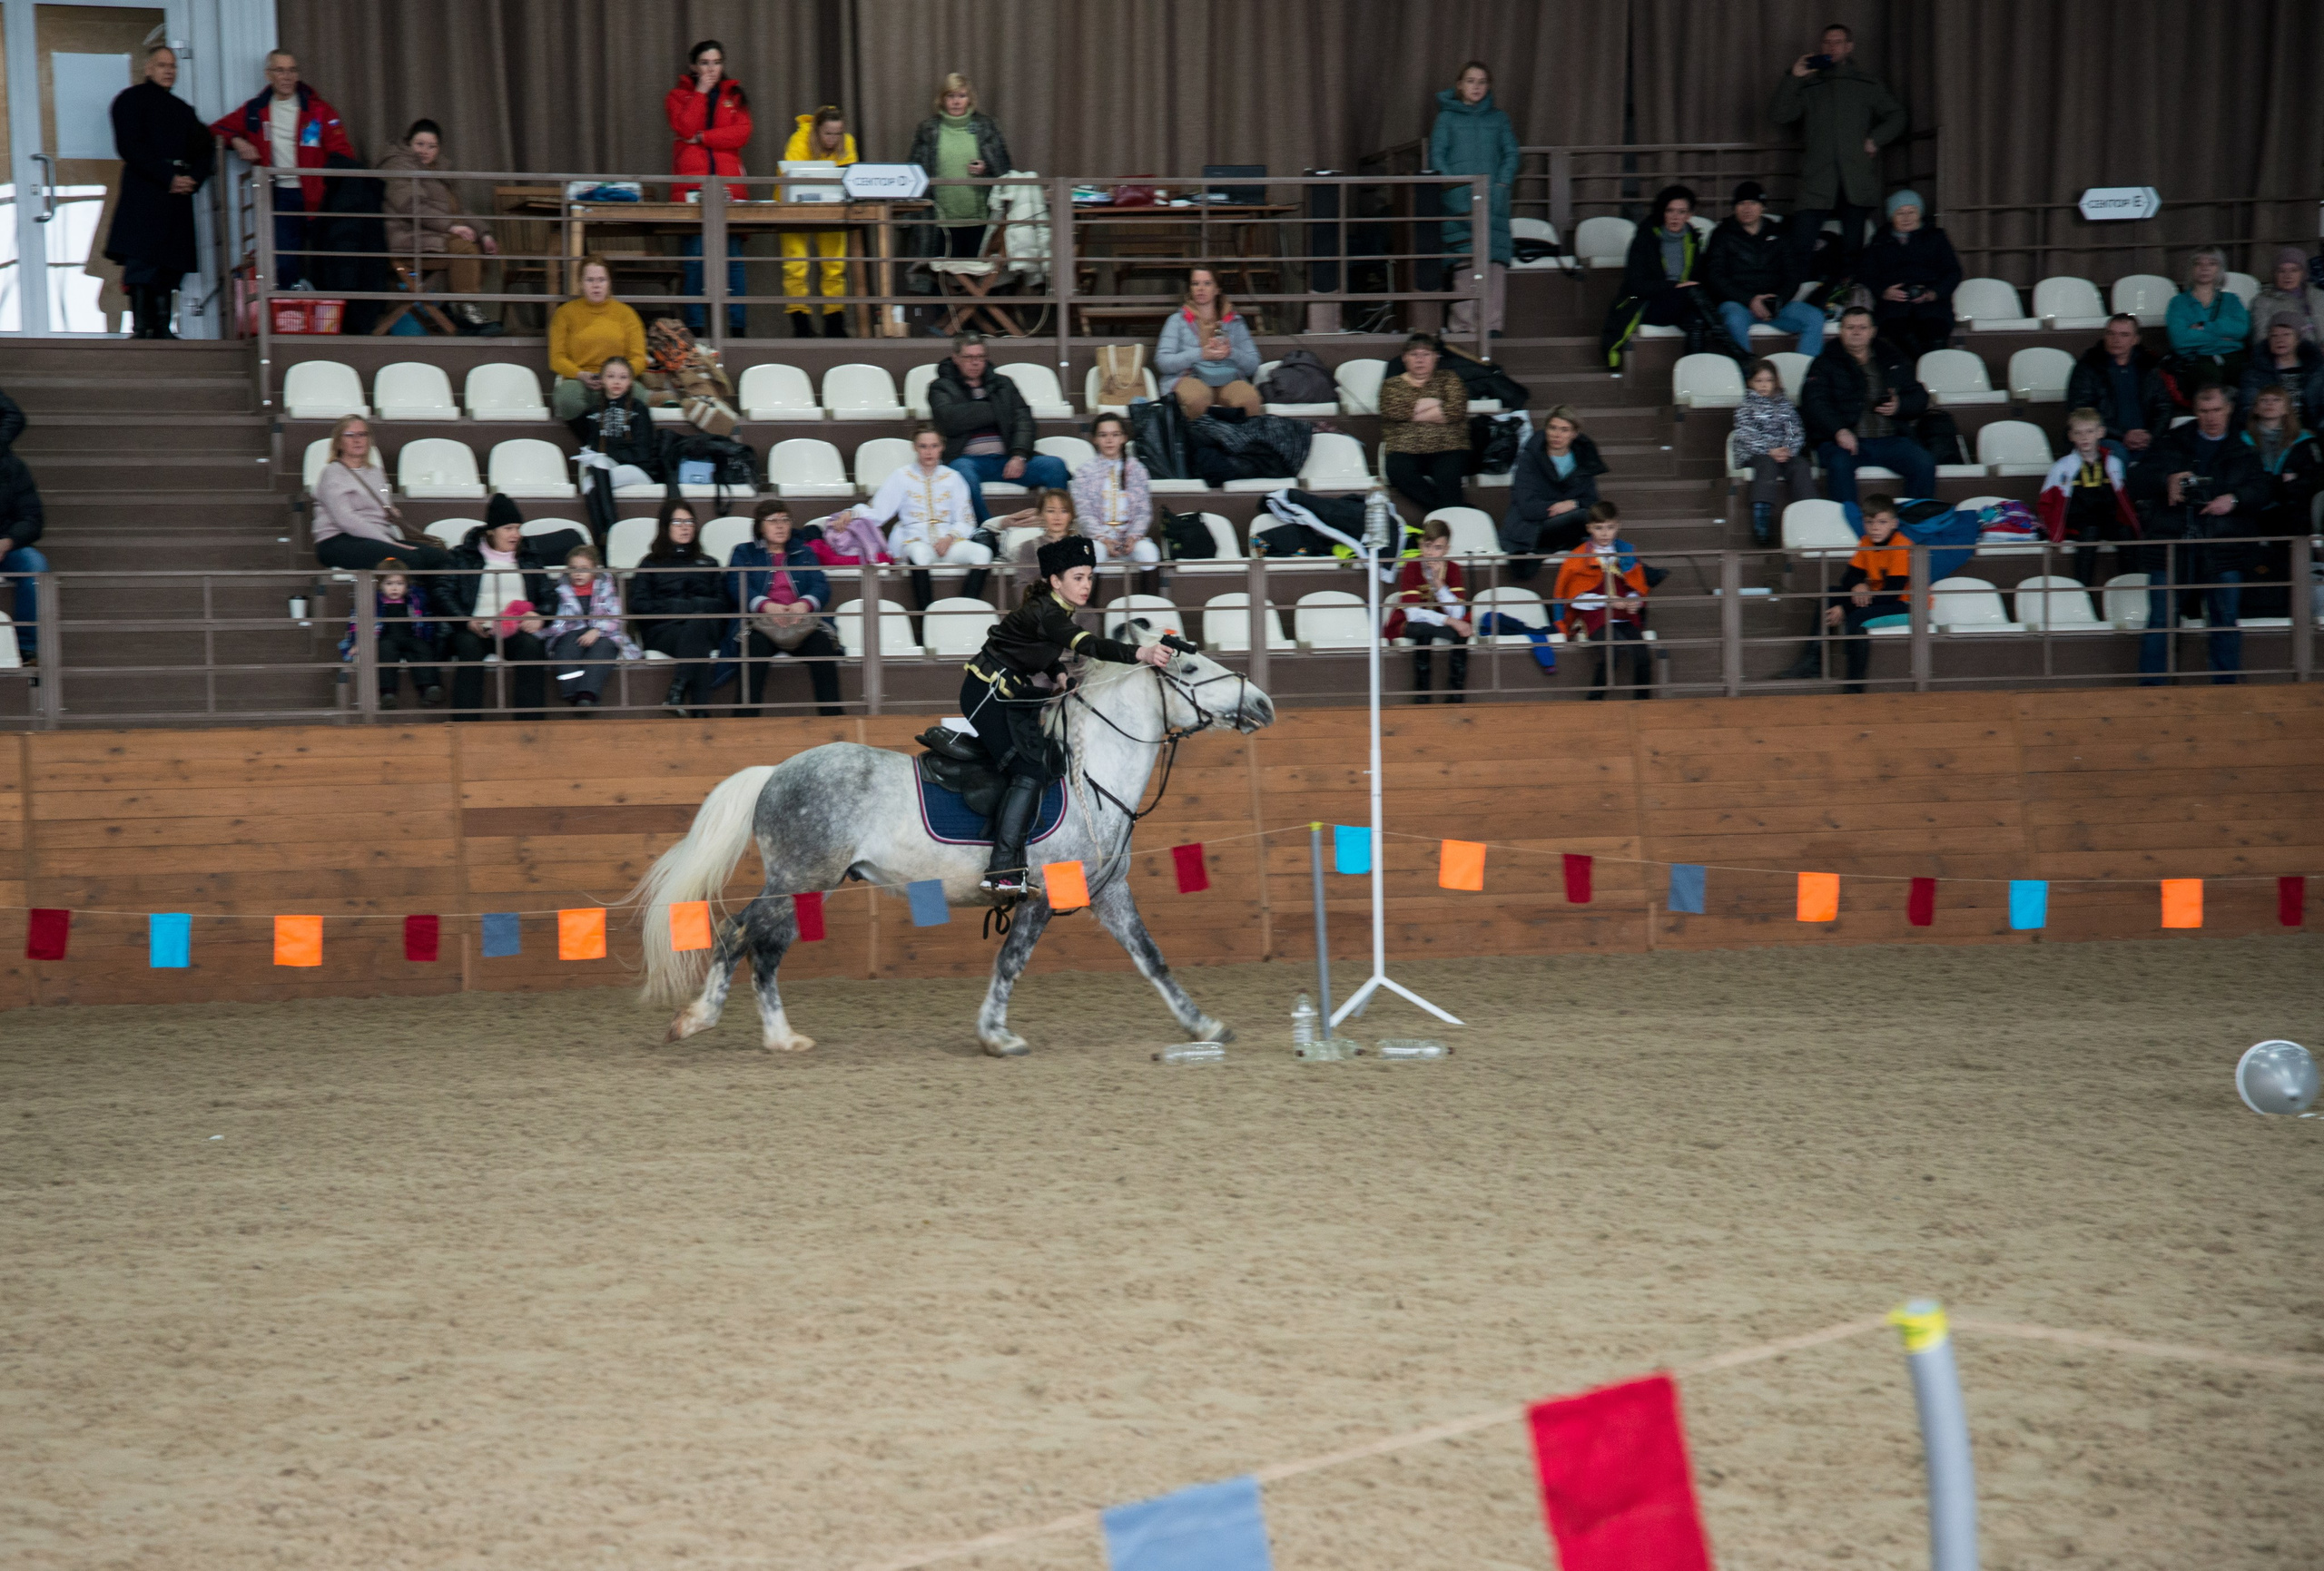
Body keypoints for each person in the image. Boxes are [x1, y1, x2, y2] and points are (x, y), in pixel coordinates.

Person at [960, 534, 1171, 895]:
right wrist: (1142, 654)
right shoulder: (1050, 613)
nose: (1086, 584)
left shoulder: (1053, 609)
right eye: (1078, 577)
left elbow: (1034, 645)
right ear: (1056, 581)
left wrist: (1058, 671)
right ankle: (1002, 871)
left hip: (1009, 693)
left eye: (1089, 577)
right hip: (987, 693)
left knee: (1041, 762)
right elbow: (1090, 644)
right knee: (1027, 770)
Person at [2127, 383, 2268, 683]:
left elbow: (2262, 489)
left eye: (2217, 410)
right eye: (2204, 411)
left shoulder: (2244, 449)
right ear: (2195, 412)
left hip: (2223, 549)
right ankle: (2152, 692)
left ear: (2229, 409)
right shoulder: (2172, 442)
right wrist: (2167, 481)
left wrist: (2233, 499)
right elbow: (2136, 480)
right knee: (2161, 621)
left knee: (2225, 620)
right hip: (2172, 546)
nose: (2211, 417)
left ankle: (2227, 690)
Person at [1770, 24, 1906, 286]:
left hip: (1854, 179)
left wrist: (1875, 139)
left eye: (1838, 42)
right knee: (1800, 246)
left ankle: (1850, 307)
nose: (1832, 47)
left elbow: (1897, 116)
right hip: (1817, 179)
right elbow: (1780, 115)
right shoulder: (1810, 85)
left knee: (1853, 253)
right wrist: (1794, 77)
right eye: (1827, 42)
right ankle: (1792, 300)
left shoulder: (1866, 84)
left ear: (1849, 46)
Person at [209, 51, 354, 289]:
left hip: (319, 194)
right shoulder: (256, 110)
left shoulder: (319, 110)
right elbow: (216, 129)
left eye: (292, 70)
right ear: (268, 75)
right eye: (280, 70)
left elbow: (343, 153)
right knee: (284, 261)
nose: (287, 76)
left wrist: (337, 189)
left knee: (328, 259)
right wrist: (238, 141)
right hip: (280, 195)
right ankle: (289, 316)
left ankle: (326, 319)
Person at [104, 45, 213, 339]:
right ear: (148, 69)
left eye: (173, 66)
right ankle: (141, 327)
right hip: (145, 190)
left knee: (169, 263)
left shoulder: (184, 111)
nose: (169, 71)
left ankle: (164, 328)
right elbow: (130, 146)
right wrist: (168, 177)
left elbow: (205, 151)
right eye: (162, 65)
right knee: (141, 262)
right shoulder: (130, 101)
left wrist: (192, 178)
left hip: (175, 196)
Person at [1801, 305, 1935, 507]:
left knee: (1924, 463)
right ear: (1840, 331)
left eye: (1862, 327)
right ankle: (1849, 528)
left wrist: (1900, 405)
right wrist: (1839, 431)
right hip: (1844, 441)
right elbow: (1814, 402)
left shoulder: (1892, 358)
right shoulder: (1824, 362)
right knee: (1839, 464)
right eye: (1850, 327)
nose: (1856, 332)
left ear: (1873, 331)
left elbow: (1919, 396)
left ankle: (1912, 525)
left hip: (1891, 439)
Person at [927, 336, 1069, 524]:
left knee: (1055, 466)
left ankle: (1054, 528)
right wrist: (998, 409)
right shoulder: (940, 387)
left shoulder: (1004, 384)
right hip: (967, 460)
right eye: (969, 357)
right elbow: (950, 420)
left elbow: (1024, 422)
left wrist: (1019, 455)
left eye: (980, 356)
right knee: (961, 475)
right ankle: (986, 530)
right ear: (955, 358)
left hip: (1007, 459)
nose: (976, 363)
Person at [378, 118, 499, 335]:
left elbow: (458, 210)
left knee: (481, 245)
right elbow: (411, 206)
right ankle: (465, 309)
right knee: (464, 248)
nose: (425, 151)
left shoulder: (440, 172)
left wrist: (484, 232)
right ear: (408, 143)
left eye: (431, 146)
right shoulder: (397, 165)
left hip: (433, 232)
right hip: (408, 236)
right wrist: (451, 227)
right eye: (420, 144)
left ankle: (458, 308)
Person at [667, 39, 751, 338]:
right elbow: (684, 128)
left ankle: (738, 328)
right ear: (693, 66)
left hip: (729, 188)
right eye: (704, 63)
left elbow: (740, 134)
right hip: (692, 188)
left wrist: (702, 137)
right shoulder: (678, 96)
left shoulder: (735, 96)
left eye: (716, 62)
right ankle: (696, 329)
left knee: (733, 261)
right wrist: (700, 94)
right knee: (694, 260)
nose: (711, 69)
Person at [1429, 60, 1519, 338]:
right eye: (1470, 81)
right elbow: (1437, 156)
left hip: (1493, 199)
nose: (1476, 87)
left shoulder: (1499, 118)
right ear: (1460, 85)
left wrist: (1502, 184)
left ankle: (1491, 325)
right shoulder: (1446, 118)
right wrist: (1453, 188)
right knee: (1465, 260)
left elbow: (1511, 154)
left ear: (1488, 86)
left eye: (1481, 82)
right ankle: (1464, 326)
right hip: (1459, 200)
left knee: (1493, 260)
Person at [441, 504, 554, 721]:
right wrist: (467, 621)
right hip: (475, 628)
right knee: (469, 649)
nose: (516, 535)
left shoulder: (529, 556)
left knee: (532, 649)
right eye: (509, 528)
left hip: (515, 628)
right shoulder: (463, 556)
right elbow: (443, 592)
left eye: (518, 528)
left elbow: (548, 594)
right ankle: (465, 724)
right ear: (491, 530)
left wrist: (540, 615)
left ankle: (530, 727)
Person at [731, 500, 842, 717]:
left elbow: (820, 585)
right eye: (773, 521)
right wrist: (765, 605)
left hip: (801, 622)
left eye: (785, 520)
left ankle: (833, 720)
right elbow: (736, 584)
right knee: (753, 650)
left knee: (822, 646)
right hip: (760, 624)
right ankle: (743, 723)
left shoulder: (805, 553)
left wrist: (805, 603)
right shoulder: (744, 552)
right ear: (760, 527)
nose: (780, 526)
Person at [864, 427, 992, 608]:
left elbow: (966, 520)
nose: (929, 451)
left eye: (934, 446)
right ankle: (926, 617)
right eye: (923, 446)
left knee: (983, 553)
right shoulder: (902, 476)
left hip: (949, 541)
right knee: (919, 554)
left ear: (942, 447)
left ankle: (966, 608)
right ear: (915, 448)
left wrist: (949, 538)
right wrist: (852, 514)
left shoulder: (953, 478)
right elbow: (879, 511)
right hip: (915, 539)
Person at [309, 416, 456, 574]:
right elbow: (346, 519)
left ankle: (438, 600)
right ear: (338, 442)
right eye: (350, 435)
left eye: (362, 434)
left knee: (438, 558)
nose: (357, 440)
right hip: (338, 540)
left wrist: (389, 509)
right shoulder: (333, 473)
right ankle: (408, 599)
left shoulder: (376, 472)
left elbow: (384, 492)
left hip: (377, 538)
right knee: (409, 560)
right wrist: (387, 541)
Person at [627, 499, 733, 715]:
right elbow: (639, 605)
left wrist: (694, 608)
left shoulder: (709, 563)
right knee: (698, 639)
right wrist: (683, 608)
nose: (685, 527)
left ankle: (678, 688)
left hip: (707, 627)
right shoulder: (650, 564)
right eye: (678, 522)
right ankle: (700, 713)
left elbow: (724, 604)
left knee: (698, 625)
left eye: (690, 522)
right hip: (665, 630)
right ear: (665, 527)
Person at [1605, 185, 1726, 364]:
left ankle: (1693, 375)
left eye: (1681, 212)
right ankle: (1732, 349)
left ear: (1689, 215)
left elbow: (1702, 279)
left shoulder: (1692, 239)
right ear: (1662, 212)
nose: (1675, 217)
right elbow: (1635, 285)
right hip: (1649, 304)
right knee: (1692, 292)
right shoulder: (1645, 239)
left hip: (1683, 303)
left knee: (1697, 322)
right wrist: (1673, 286)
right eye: (1670, 211)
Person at [1703, 182, 1822, 358]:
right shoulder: (1722, 234)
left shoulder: (1779, 233)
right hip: (1738, 304)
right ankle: (1748, 377)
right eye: (1741, 203)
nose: (1747, 208)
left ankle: (1805, 378)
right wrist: (1750, 300)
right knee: (1733, 320)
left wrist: (1777, 301)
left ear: (1763, 207)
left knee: (1814, 317)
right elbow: (1715, 276)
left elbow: (1793, 274)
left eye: (1753, 203)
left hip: (1775, 304)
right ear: (1734, 208)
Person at [1553, 502, 1652, 700]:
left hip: (1624, 616)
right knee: (1612, 651)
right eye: (1599, 528)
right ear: (1589, 528)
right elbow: (1574, 599)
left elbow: (1637, 587)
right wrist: (1607, 601)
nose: (1605, 533)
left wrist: (1634, 601)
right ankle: (1595, 700)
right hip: (1595, 617)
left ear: (1618, 526)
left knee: (1643, 656)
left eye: (1610, 527)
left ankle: (1643, 701)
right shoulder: (1577, 558)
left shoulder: (1627, 552)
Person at [908, 73, 1011, 260]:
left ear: (970, 99)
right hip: (939, 220)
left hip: (980, 218)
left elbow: (1005, 170)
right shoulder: (928, 130)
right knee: (941, 279)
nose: (956, 102)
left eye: (961, 96)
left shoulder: (986, 127)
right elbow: (912, 174)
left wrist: (985, 168)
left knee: (977, 277)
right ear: (942, 99)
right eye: (951, 96)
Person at [2035, 408, 2140, 588]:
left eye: (2090, 432)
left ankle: (2131, 585)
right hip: (2079, 522)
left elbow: (2124, 501)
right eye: (2078, 433)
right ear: (2071, 436)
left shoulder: (2113, 463)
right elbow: (2046, 502)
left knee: (2125, 533)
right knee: (2090, 532)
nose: (2084, 438)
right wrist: (2054, 533)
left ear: (2101, 432)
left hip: (2106, 519)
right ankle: (2083, 589)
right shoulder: (2063, 467)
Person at [1820, 494, 1909, 693]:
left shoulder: (1901, 546)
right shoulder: (1866, 542)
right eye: (1870, 522)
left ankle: (1854, 684)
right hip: (1880, 597)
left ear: (1894, 524)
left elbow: (1892, 594)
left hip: (1905, 604)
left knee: (1857, 617)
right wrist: (1858, 585)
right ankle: (1813, 661)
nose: (1875, 527)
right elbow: (1848, 577)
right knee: (1829, 594)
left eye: (1882, 522)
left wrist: (1846, 607)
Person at [1854, 191, 1960, 358]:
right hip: (1893, 308)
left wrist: (1932, 293)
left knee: (1936, 339)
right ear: (1891, 216)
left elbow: (1953, 272)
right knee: (1902, 340)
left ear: (1920, 213)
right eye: (1900, 213)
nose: (1906, 217)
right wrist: (1884, 291)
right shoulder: (1880, 241)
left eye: (1911, 212)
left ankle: (1929, 377)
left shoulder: (1936, 237)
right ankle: (1915, 377)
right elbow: (1865, 274)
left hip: (1932, 306)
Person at [1502, 406, 1604, 580]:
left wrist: (1572, 504)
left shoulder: (1583, 459)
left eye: (1564, 430)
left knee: (1600, 520)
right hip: (1532, 528)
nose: (1557, 435)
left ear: (1575, 433)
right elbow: (1527, 507)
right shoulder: (1530, 458)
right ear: (1546, 429)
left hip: (1567, 525)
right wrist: (1558, 508)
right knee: (1584, 518)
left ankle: (1632, 569)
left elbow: (1592, 501)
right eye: (1553, 428)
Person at [1375, 333, 1472, 515]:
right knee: (1397, 470)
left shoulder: (1449, 379)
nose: (1420, 359)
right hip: (1404, 449)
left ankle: (1451, 515)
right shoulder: (1392, 385)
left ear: (1436, 357)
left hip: (1448, 446)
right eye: (1414, 354)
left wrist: (1411, 412)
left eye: (1426, 354)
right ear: (1404, 358)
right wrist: (1437, 404)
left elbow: (1456, 410)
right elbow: (1393, 410)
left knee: (1448, 475)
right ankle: (1451, 511)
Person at [783, 106, 856, 338]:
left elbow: (851, 174)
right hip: (793, 208)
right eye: (828, 134)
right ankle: (801, 323)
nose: (833, 140)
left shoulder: (848, 142)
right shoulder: (799, 140)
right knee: (796, 265)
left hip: (832, 209)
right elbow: (789, 174)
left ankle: (834, 322)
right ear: (817, 131)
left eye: (837, 134)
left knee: (834, 265)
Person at [540, 544, 641, 712]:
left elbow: (615, 615)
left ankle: (587, 694)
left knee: (603, 650)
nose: (578, 573)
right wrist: (562, 632)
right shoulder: (560, 590)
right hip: (571, 632)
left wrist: (598, 630)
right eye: (573, 568)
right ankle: (572, 691)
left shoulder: (606, 587)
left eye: (584, 568)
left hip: (604, 633)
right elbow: (558, 620)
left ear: (595, 570)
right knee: (564, 651)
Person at [548, 257, 649, 421]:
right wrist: (580, 375)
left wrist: (616, 377)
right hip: (579, 380)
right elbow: (557, 359)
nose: (596, 285)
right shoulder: (565, 313)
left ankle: (617, 443)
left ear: (609, 282)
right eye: (590, 280)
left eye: (601, 280)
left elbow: (638, 358)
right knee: (567, 398)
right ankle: (591, 441)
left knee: (638, 395)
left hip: (618, 381)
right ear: (580, 283)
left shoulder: (627, 314)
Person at [1384, 518, 1472, 703]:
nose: (1431, 552)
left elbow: (1458, 614)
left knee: (1461, 633)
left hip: (1435, 623)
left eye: (1438, 547)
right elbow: (1413, 614)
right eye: (1427, 546)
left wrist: (1440, 584)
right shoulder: (1412, 566)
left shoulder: (1453, 569)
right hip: (1409, 623)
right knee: (1424, 628)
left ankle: (1456, 695)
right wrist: (1450, 622)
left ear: (1447, 549)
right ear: (1420, 545)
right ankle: (1422, 695)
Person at [1155, 269, 1263, 418]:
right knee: (1197, 399)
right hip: (1189, 377)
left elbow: (1253, 364)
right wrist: (1201, 354)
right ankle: (1198, 442)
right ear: (1190, 289)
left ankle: (1237, 441)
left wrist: (1231, 353)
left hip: (1228, 378)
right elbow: (1163, 362)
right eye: (1195, 284)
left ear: (1217, 289)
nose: (1200, 288)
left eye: (1207, 283)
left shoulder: (1235, 320)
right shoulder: (1177, 320)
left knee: (1249, 400)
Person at [1733, 358, 1818, 545]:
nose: (1764, 385)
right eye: (1759, 380)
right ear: (1750, 383)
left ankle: (1809, 514)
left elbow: (1795, 430)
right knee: (1766, 465)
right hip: (1755, 454)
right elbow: (1746, 434)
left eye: (1768, 380)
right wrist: (1768, 450)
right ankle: (1761, 522)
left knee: (1801, 465)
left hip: (1784, 453)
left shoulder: (1785, 406)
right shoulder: (1745, 407)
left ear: (1775, 382)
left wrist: (1787, 449)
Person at [337, 560, 442, 708]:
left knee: (422, 648)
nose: (395, 588)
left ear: (407, 585)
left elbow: (426, 622)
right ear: (380, 584)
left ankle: (429, 688)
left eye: (400, 584)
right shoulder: (373, 601)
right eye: (389, 583)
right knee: (386, 651)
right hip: (386, 638)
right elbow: (357, 622)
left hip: (409, 637)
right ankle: (388, 693)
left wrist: (428, 638)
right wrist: (357, 642)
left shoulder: (415, 601)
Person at [2065, 314, 2171, 457]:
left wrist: (2150, 435)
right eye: (2111, 334)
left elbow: (2164, 407)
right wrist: (2123, 435)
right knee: (2117, 455)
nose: (2116, 340)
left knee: (2170, 456)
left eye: (2124, 335)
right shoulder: (2088, 367)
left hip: (2146, 439)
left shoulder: (2149, 367)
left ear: (2136, 340)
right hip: (2105, 439)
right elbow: (2081, 411)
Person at [567, 355, 661, 507]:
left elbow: (642, 452)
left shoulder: (639, 409)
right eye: (611, 376)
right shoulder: (593, 411)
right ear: (602, 380)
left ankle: (607, 529)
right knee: (595, 473)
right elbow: (588, 440)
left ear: (630, 382)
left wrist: (608, 454)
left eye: (623, 377)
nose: (617, 381)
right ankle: (606, 528)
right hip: (607, 467)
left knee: (593, 482)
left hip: (637, 470)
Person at [1068, 413, 1158, 565]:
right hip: (1098, 539)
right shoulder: (1085, 471)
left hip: (1130, 539)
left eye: (1115, 435)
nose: (1109, 440)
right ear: (1095, 439)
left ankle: (1146, 589)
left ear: (1124, 438)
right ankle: (1091, 588)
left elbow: (1144, 511)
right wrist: (1103, 538)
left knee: (1149, 553)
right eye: (1103, 435)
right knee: (1094, 552)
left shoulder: (1136, 469)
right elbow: (1084, 512)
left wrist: (1133, 537)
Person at [0, 385, 47, 663]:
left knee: (35, 565)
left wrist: (7, 542)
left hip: (5, 548)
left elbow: (32, 519)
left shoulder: (12, 468)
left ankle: (27, 648)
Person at [2240, 385, 2322, 546]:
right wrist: (2282, 481)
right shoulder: (2241, 441)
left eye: (2276, 400)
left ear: (2286, 408)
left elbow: (2313, 477)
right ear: (2256, 408)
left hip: (2291, 510)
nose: (2270, 404)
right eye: (2264, 400)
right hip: (2255, 509)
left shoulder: (2304, 441)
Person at [2165, 248, 2250, 392]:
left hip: (2232, 357)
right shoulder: (2178, 303)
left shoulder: (2232, 300)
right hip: (2197, 360)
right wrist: (2222, 336)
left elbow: (2241, 330)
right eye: (2198, 263)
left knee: (2250, 381)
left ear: (2220, 269)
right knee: (2210, 383)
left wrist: (2204, 327)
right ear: (2191, 269)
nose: (2204, 268)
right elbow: (2180, 340)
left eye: (2212, 263)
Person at [2238, 314, 2324, 428]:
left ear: (2298, 339)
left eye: (2286, 334)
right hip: (2271, 430)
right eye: (2274, 336)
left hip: (2312, 430)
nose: (2280, 340)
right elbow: (2248, 407)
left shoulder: (2316, 369)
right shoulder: (2255, 371)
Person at [2247, 248, 2321, 349]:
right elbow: (2260, 338)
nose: (2288, 276)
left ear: (2303, 273)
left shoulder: (2319, 296)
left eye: (2294, 270)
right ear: (2275, 274)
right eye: (2281, 271)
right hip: (2289, 356)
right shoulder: (2263, 301)